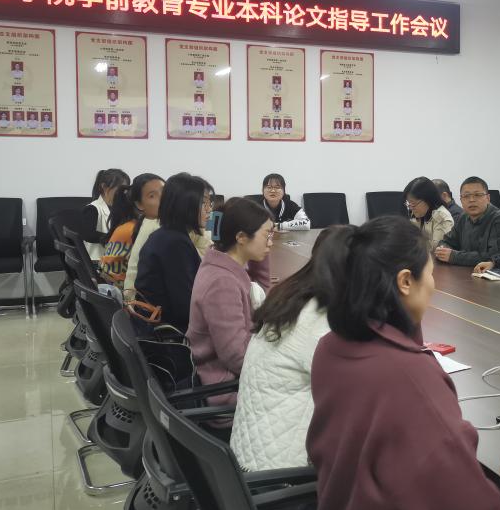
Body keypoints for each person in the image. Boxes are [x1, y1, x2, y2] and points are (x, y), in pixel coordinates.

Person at [306, 216, 500, 510]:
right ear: (405, 281)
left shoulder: (331, 347)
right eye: (430, 273)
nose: (433, 284)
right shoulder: (407, 376)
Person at [231, 226, 351, 471]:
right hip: (283, 475)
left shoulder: (290, 297)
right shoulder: (320, 321)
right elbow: (356, 390)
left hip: (247, 459)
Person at [187, 198, 273, 409]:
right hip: (225, 389)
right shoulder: (222, 283)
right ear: (241, 237)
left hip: (233, 375)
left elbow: (262, 297)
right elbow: (237, 358)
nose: (271, 242)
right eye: (267, 235)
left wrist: (260, 253)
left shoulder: (222, 264)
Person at [133, 173, 212, 334]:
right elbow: (185, 308)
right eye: (203, 203)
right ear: (186, 205)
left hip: (154, 327)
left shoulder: (167, 235)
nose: (209, 209)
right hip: (169, 334)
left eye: (209, 203)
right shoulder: (175, 243)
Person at [99, 173, 164, 288]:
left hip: (109, 287)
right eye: (152, 196)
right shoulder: (139, 230)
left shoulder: (126, 225)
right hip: (123, 291)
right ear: (139, 204)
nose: (163, 199)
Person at [434, 176, 500, 267]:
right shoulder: (463, 217)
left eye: (477, 195)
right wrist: (443, 250)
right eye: (466, 196)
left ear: (488, 198)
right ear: (461, 200)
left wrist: (454, 256)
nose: (471, 200)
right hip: (464, 271)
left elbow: (496, 257)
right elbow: (447, 241)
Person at [81, 168, 130, 261]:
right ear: (104, 187)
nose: (124, 193)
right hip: (97, 261)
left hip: (116, 258)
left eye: (125, 190)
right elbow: (88, 235)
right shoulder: (92, 208)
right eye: (120, 189)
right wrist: (113, 237)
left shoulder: (121, 208)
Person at [404, 176, 454, 250]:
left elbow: (436, 249)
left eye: (413, 204)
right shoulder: (416, 214)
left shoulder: (442, 218)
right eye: (409, 203)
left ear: (428, 199)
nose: (411, 208)